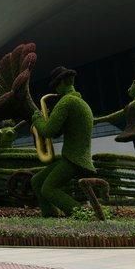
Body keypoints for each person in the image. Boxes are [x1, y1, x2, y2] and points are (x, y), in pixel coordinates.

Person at [31, 66, 96, 217]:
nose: (55, 90)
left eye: (55, 86)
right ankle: (50, 215)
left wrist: (37, 119)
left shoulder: (66, 102)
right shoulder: (80, 103)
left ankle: (85, 215)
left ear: (60, 83)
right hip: (74, 157)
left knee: (48, 189)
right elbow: (59, 132)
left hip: (74, 159)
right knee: (36, 181)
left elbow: (48, 132)